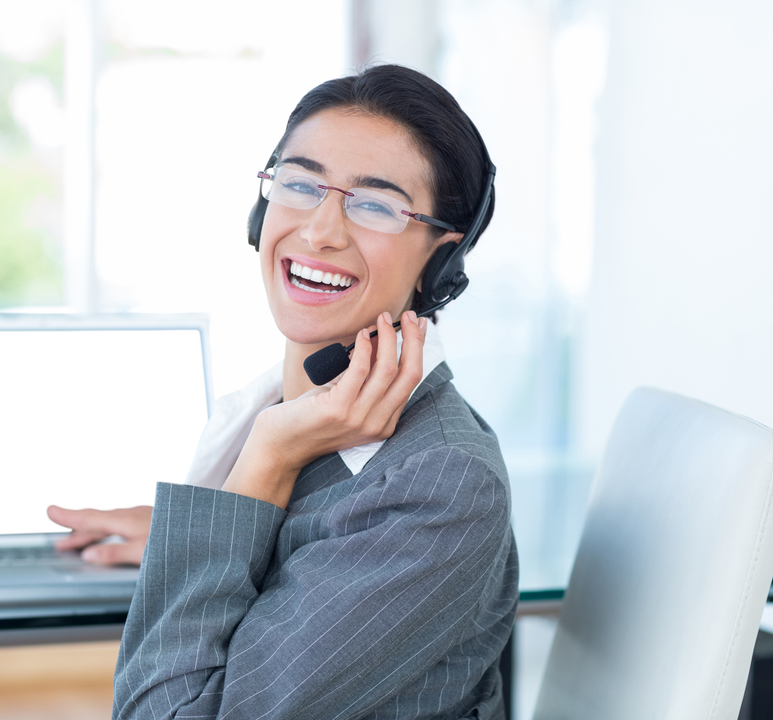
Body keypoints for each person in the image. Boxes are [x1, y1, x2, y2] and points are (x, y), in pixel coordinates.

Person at [44, 64, 518, 720]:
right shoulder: (290, 404)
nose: (322, 230)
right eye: (299, 184)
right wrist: (201, 528)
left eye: (375, 204)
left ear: (439, 257)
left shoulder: (438, 483)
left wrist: (262, 465)